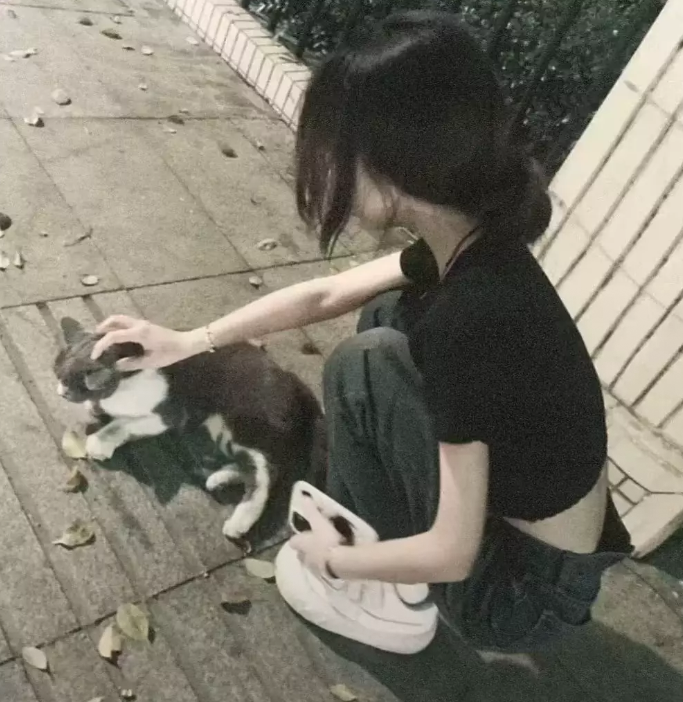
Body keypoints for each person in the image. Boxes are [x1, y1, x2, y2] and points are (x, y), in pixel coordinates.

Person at [91, 10, 633, 655]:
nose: (327, 172)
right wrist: (188, 340)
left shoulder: (471, 317)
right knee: (387, 316)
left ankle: (385, 591)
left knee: (365, 366)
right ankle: (374, 538)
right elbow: (324, 295)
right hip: (540, 552)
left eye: (333, 152)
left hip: (516, 596)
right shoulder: (474, 241)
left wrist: (335, 558)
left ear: (389, 165)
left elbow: (454, 552)